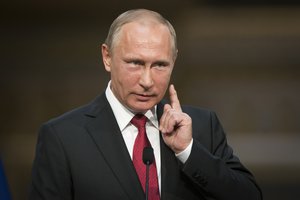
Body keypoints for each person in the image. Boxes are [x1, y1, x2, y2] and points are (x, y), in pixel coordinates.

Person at [29, 9, 262, 200]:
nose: (147, 81)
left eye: (160, 65)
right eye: (135, 63)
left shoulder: (202, 127)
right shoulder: (62, 137)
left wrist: (187, 151)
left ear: (174, 60)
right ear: (107, 57)